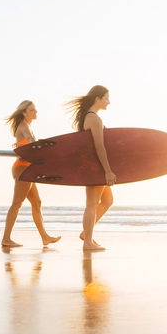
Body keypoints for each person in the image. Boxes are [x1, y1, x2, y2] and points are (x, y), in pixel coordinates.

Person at [0, 101, 62, 249]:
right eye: (32, 110)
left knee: (37, 203)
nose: (35, 112)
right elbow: (30, 139)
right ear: (24, 113)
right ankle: (6, 238)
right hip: (22, 168)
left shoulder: (26, 126)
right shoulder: (23, 125)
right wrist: (37, 146)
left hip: (27, 168)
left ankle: (45, 237)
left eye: (35, 110)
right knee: (17, 203)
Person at [67, 85, 115, 251]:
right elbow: (99, 147)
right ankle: (87, 242)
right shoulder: (94, 118)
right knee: (91, 204)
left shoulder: (90, 118)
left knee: (107, 201)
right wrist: (108, 170)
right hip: (95, 167)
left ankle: (86, 234)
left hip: (93, 165)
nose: (109, 102)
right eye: (106, 98)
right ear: (97, 99)